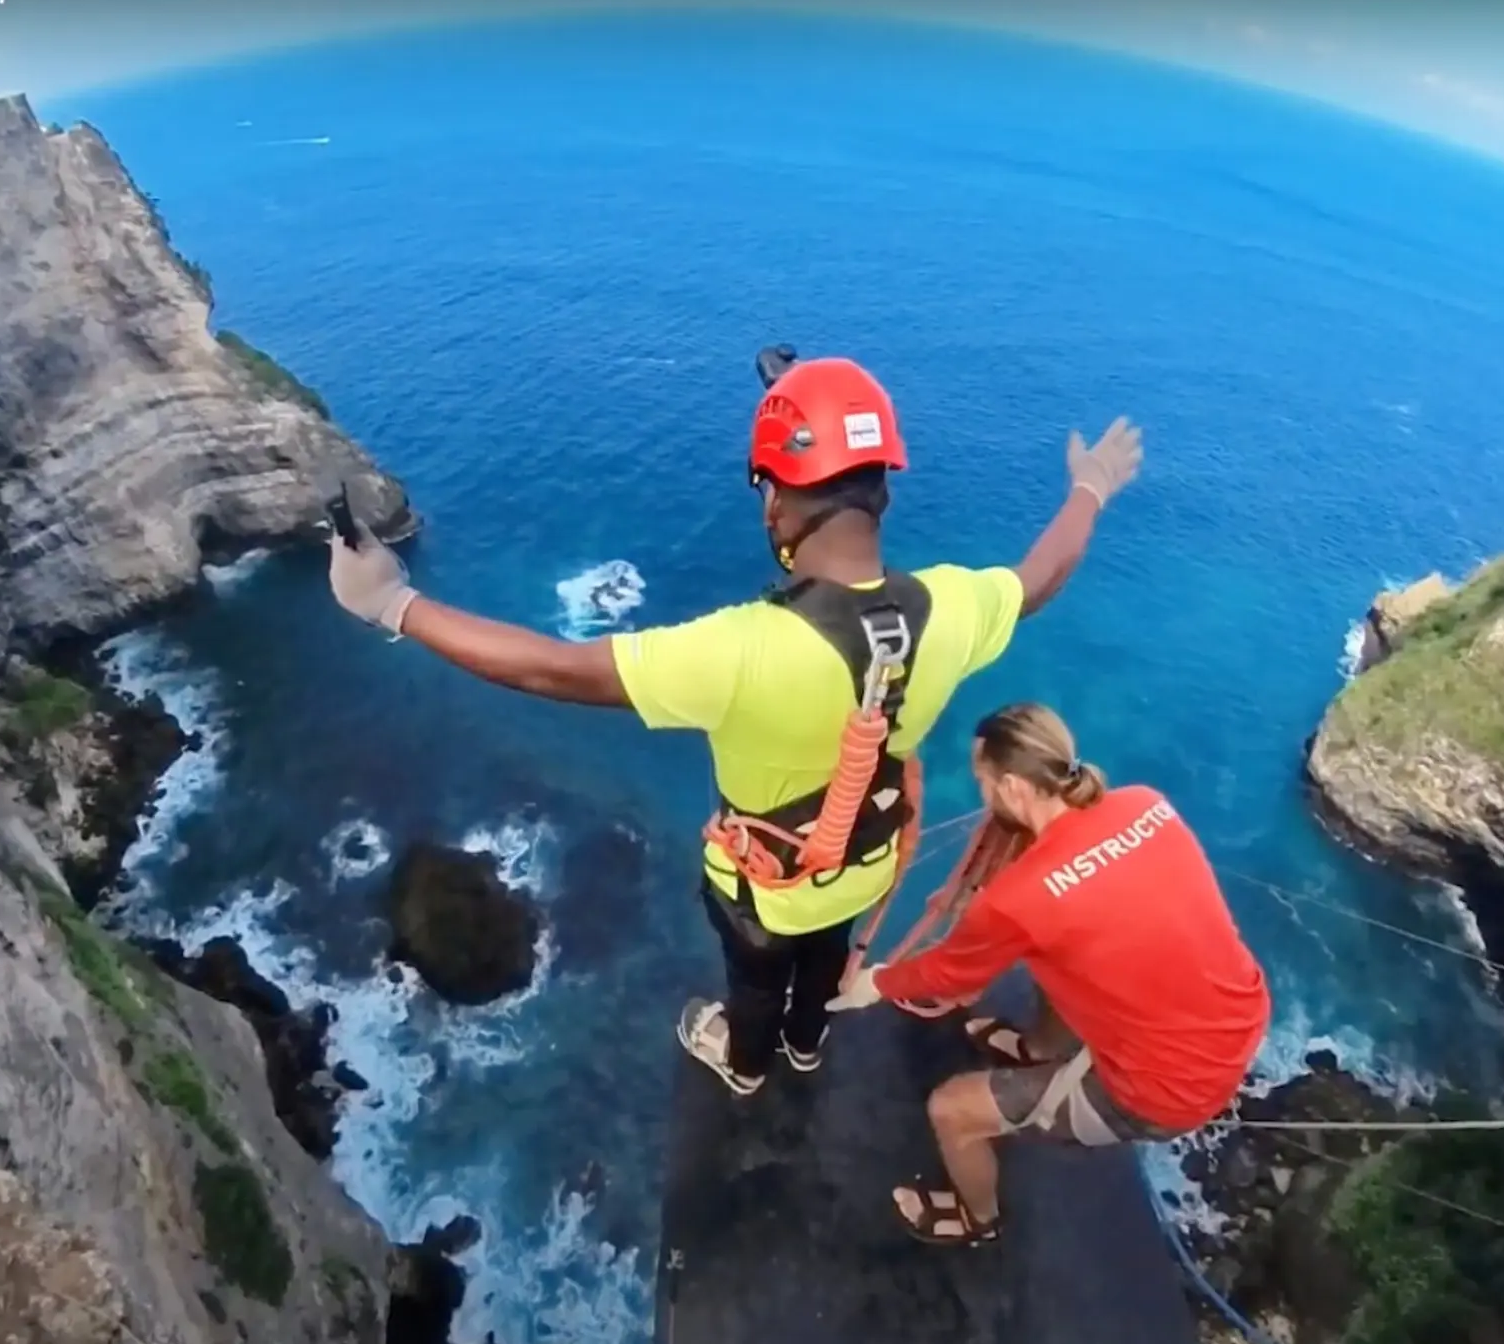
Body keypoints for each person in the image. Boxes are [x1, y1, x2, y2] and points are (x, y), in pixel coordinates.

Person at [324, 349, 1143, 1096]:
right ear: (882, 489)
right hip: (861, 863)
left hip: (765, 888)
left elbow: (549, 665)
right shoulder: (952, 606)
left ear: (779, 504)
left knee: (755, 980)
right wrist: (1091, 489)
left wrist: (392, 602)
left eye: (768, 492)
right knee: (825, 957)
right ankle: (807, 1043)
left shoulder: (739, 651)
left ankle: (747, 1062)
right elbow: (1041, 577)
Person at [827, 701, 1272, 1246]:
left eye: (983, 782)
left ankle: (977, 1218)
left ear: (1013, 788)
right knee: (1055, 956)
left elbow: (950, 976)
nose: (981, 795)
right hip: (1236, 1018)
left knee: (952, 1109)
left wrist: (872, 984)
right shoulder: (1145, 803)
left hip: (1164, 1089)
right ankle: (1040, 1048)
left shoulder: (1019, 900)